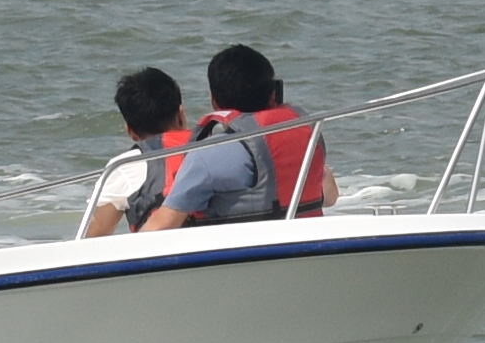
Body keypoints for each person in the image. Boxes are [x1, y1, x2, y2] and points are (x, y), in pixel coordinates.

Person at [146, 42, 337, 230]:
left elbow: (163, 225)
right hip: (304, 242)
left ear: (214, 100)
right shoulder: (308, 140)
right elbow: (330, 197)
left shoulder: (206, 156)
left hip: (242, 253)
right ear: (273, 95)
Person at [83, 66, 189, 238]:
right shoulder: (219, 148)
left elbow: (92, 237)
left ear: (131, 132)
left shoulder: (123, 167)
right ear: (180, 115)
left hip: (160, 255)